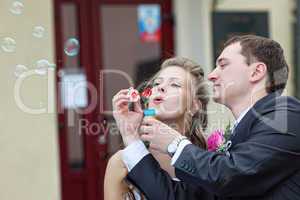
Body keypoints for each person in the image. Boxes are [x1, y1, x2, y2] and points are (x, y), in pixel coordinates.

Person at [116, 35, 300, 200]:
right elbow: (180, 196)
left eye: (223, 64)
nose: (211, 75)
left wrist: (175, 144)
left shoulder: (284, 114)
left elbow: (232, 175)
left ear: (256, 72)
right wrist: (131, 136)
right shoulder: (237, 137)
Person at [104, 57, 214, 200]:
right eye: (156, 83)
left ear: (194, 106)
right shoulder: (121, 162)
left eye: (175, 84)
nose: (159, 88)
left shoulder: (209, 161)